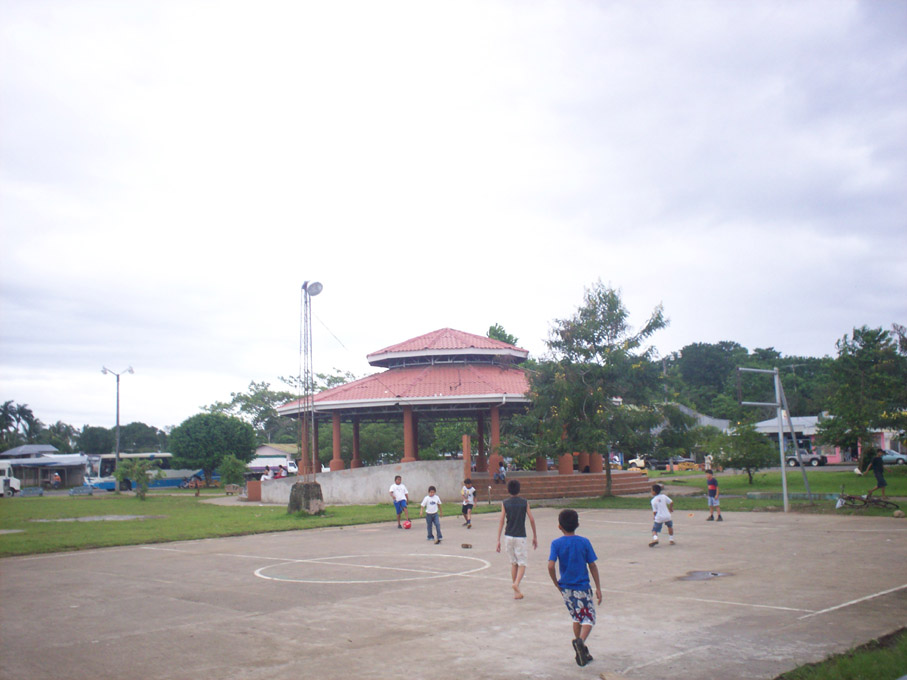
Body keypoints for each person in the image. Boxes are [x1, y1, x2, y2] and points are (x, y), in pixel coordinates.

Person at [547, 509, 603, 667]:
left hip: (566, 589)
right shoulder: (584, 542)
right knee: (589, 618)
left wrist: (556, 583)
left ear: (559, 526)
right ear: (577, 524)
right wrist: (598, 587)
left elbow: (551, 565)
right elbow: (592, 565)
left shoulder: (556, 544)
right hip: (582, 588)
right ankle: (580, 642)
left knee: (577, 617)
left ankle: (581, 651)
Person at [496, 479, 538, 599]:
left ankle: (516, 591)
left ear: (508, 490)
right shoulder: (524, 502)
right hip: (520, 536)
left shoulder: (505, 503)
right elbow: (531, 519)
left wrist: (498, 539)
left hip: (508, 536)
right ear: (519, 489)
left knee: (513, 563)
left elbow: (501, 521)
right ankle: (516, 584)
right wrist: (535, 536)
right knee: (522, 563)